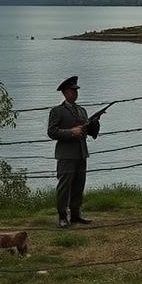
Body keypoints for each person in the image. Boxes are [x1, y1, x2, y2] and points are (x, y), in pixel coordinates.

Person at [47, 76, 100, 227]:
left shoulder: (82, 111)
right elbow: (52, 132)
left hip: (81, 153)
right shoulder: (57, 111)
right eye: (72, 91)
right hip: (66, 154)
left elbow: (90, 132)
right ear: (64, 93)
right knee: (64, 186)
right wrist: (71, 132)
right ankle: (63, 216)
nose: (75, 94)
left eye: (76, 91)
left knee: (79, 184)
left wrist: (95, 123)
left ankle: (76, 214)